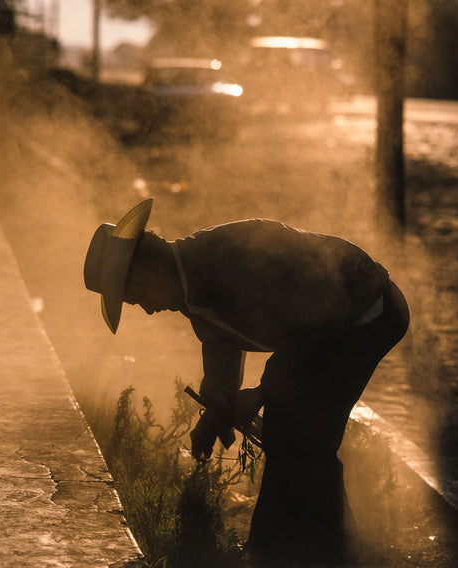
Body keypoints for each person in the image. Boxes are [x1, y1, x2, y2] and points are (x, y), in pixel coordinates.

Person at [84, 198, 410, 567]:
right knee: (293, 433)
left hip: (367, 317)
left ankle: (296, 554)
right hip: (327, 331)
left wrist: (259, 394)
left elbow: (306, 330)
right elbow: (220, 348)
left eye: (135, 295)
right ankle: (306, 551)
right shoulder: (192, 295)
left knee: (301, 435)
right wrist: (218, 410)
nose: (145, 307)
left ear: (146, 268)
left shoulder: (229, 260)